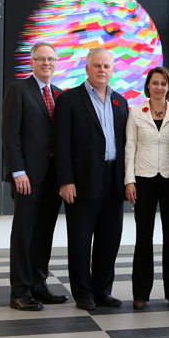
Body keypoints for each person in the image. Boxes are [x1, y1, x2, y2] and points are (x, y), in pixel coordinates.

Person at [53, 47, 129, 311]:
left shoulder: (121, 102)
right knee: (81, 241)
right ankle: (83, 293)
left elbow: (126, 144)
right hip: (81, 181)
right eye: (97, 66)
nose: (102, 71)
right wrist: (65, 180)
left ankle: (102, 291)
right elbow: (60, 144)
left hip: (113, 181)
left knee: (110, 240)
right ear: (87, 69)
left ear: (112, 69)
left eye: (106, 66)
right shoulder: (69, 99)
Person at [1, 42, 68, 311]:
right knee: (24, 234)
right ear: (32, 62)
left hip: (53, 177)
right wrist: (18, 172)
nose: (46, 63)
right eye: (41, 59)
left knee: (43, 234)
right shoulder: (18, 90)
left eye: (51, 59)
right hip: (27, 177)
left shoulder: (60, 94)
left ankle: (39, 287)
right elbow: (10, 135)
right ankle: (20, 291)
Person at [125, 67, 169, 310]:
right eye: (155, 83)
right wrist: (129, 180)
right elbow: (130, 147)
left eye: (164, 83)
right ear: (147, 85)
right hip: (144, 179)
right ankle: (141, 293)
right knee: (143, 237)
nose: (159, 87)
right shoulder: (136, 112)